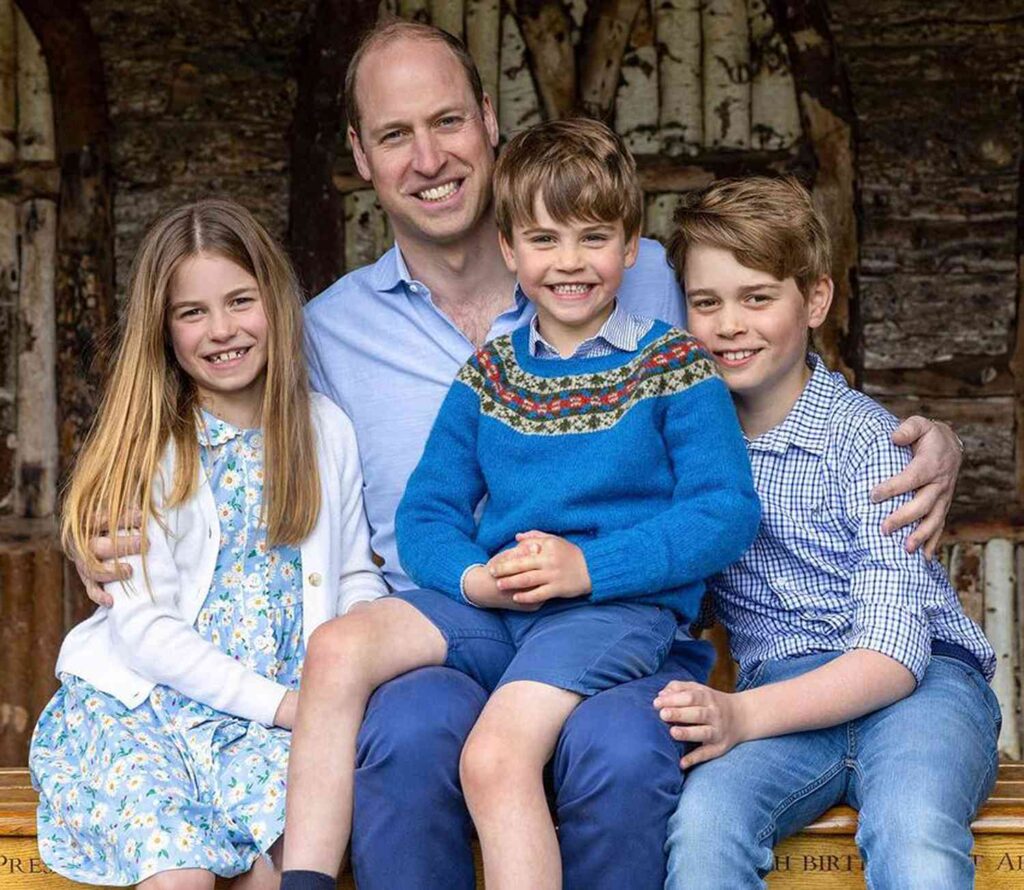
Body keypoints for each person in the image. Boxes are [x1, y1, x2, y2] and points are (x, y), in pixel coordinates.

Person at [78, 21, 966, 890]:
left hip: (621, 617)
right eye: (396, 134)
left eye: (447, 121)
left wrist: (923, 437)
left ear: (489, 122)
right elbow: (219, 425)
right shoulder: (330, 336)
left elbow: (764, 362)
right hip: (459, 617)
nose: (429, 157)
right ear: (360, 154)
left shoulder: (660, 293)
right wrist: (104, 519)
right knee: (406, 727)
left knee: (619, 748)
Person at [278, 118, 760, 890]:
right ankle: (301, 881)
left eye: (593, 238)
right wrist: (474, 579)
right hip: (499, 609)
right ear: (509, 249)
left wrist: (588, 568)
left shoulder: (673, 365)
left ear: (631, 249)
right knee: (337, 648)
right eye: (543, 240)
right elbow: (428, 513)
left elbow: (725, 511)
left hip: (611, 611)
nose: (569, 262)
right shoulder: (490, 375)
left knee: (495, 757)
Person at [29, 199, 387, 889]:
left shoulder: (324, 431)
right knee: (182, 875)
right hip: (144, 709)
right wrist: (286, 706)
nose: (222, 330)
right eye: (192, 312)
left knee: (280, 868)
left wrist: (355, 648)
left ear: (275, 302)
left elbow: (352, 573)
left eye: (240, 301)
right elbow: (144, 630)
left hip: (270, 726)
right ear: (163, 330)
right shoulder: (149, 448)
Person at [656, 176, 998, 890]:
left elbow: (894, 656)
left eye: (757, 298)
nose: (729, 324)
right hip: (782, 700)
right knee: (704, 823)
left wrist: (739, 714)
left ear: (814, 300)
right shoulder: (692, 453)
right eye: (706, 302)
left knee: (913, 825)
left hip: (920, 690)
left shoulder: (869, 444)